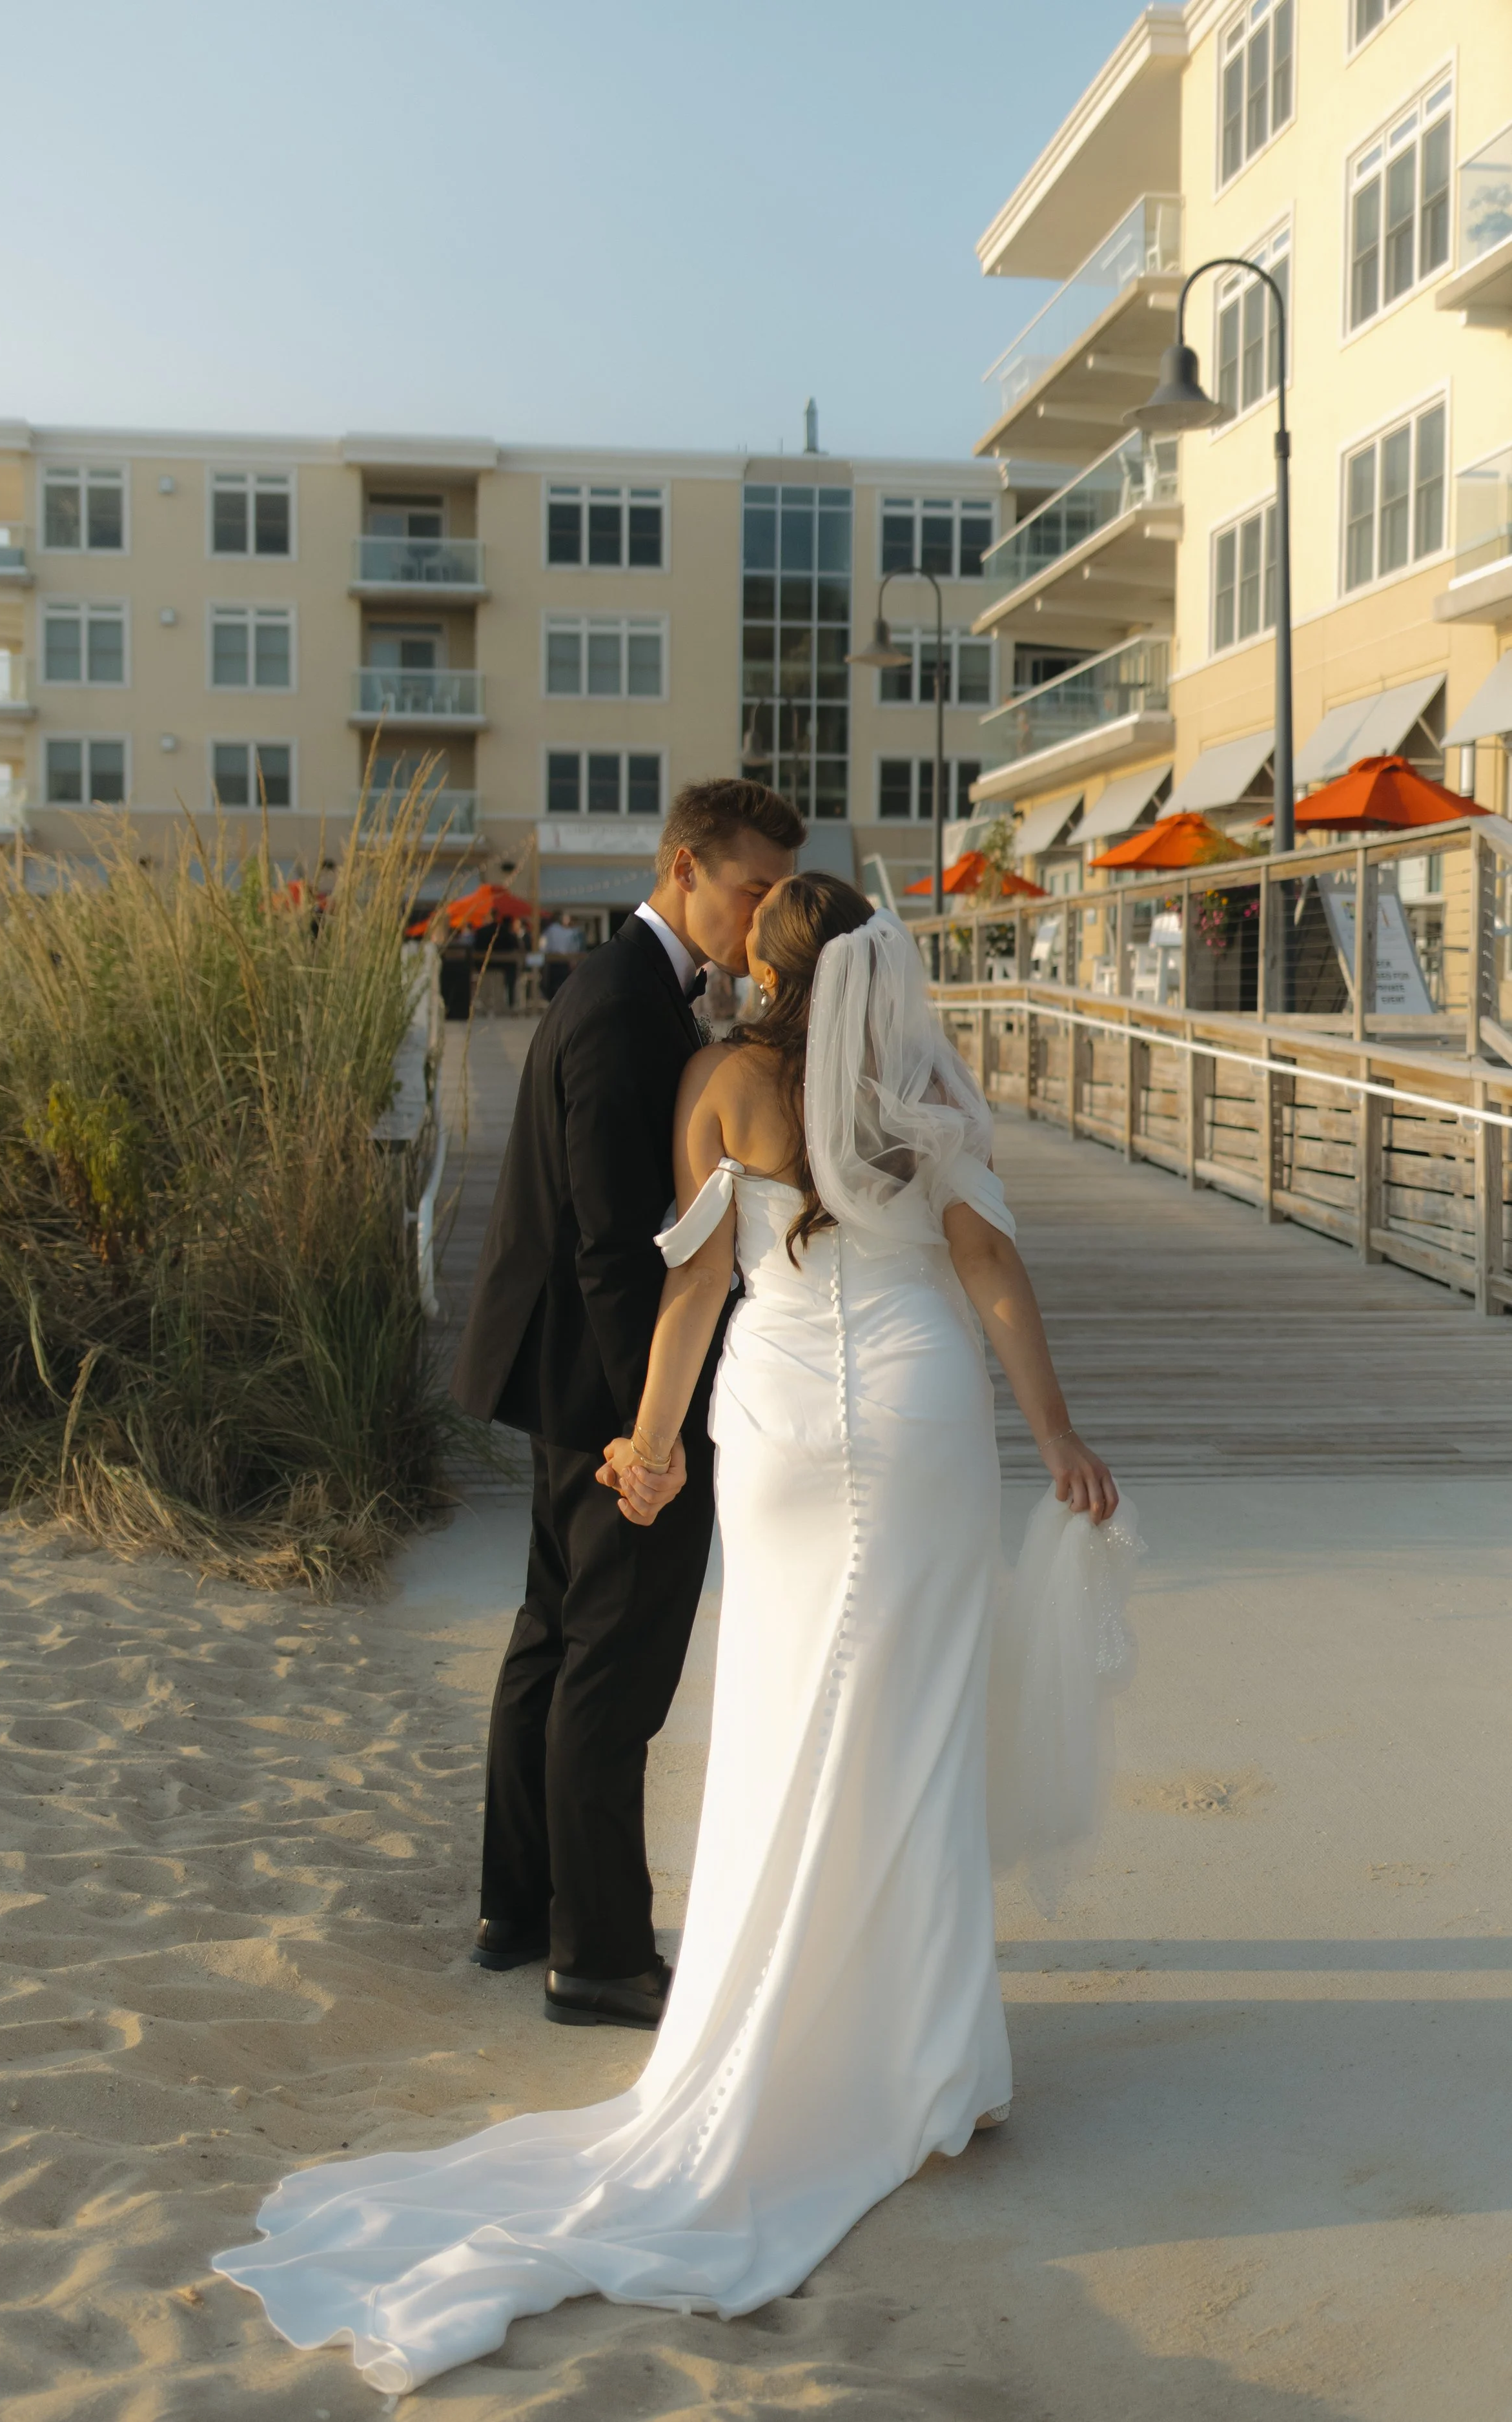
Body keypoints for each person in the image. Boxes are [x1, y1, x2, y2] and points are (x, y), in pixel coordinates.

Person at [212, 869, 1137, 2394]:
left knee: (780, 1721)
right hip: (910, 1417)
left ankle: (782, 2017)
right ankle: (926, 2066)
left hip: (770, 1426)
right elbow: (988, 1266)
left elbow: (694, 1282)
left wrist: (649, 1445)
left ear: (762, 965)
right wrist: (1057, 1435)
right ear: (871, 973)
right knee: (908, 1730)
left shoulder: (717, 1079)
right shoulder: (916, 1082)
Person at [450, 779, 801, 2024]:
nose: (761, 917)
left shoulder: (634, 991)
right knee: (611, 1660)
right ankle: (596, 1953)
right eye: (752, 888)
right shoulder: (621, 1007)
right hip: (596, 1381)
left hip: (559, 1371)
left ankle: (520, 1906)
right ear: (685, 865)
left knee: (553, 1636)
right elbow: (613, 1243)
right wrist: (641, 1435)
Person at [538, 912, 583, 1001]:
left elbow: (543, 947)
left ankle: (552, 1002)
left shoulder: (549, 931)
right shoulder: (568, 932)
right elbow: (573, 947)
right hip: (564, 961)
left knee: (552, 984)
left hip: (553, 961)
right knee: (562, 984)